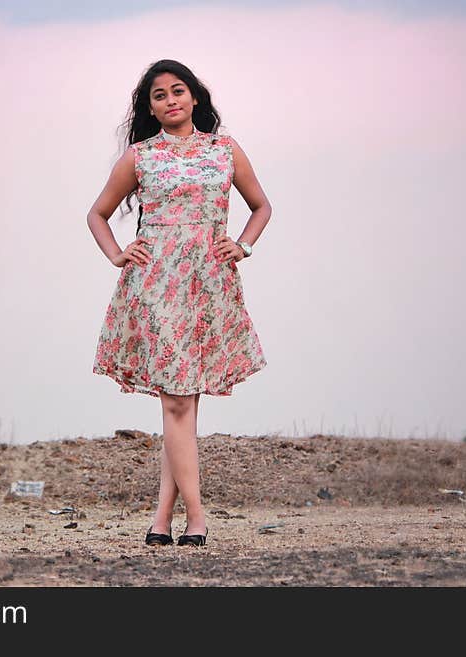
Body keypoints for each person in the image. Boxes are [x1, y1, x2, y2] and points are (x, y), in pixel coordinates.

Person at [87, 59, 271, 547]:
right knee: (176, 400)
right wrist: (118, 254)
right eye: (159, 96)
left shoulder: (224, 149)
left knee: (182, 403)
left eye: (178, 91)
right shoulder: (140, 156)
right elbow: (98, 213)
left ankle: (160, 521)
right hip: (156, 284)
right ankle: (197, 517)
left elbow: (261, 205)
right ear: (149, 107)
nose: (170, 101)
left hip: (209, 282)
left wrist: (243, 244)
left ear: (194, 97)